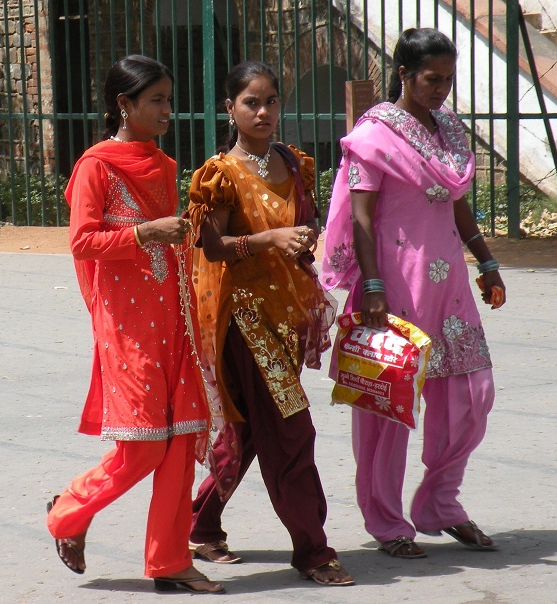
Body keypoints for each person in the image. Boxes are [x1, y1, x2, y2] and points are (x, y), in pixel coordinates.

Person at [321, 28, 506, 559]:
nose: (441, 90)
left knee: (472, 395)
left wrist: (486, 260)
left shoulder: (448, 126)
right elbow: (359, 216)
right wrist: (372, 285)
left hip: (448, 283)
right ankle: (387, 522)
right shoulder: (374, 132)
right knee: (388, 407)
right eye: (432, 79)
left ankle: (440, 505)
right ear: (403, 73)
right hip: (393, 281)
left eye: (448, 79)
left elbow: (457, 201)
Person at [45, 55, 224, 594]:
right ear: (124, 105)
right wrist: (147, 234)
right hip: (127, 324)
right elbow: (82, 242)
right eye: (157, 100)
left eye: (169, 99)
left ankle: (169, 562)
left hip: (176, 316)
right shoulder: (97, 166)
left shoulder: (164, 165)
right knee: (144, 446)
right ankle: (67, 511)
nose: (169, 110)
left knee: (181, 442)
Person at [185, 60, 354, 587]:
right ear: (229, 109)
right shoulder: (220, 173)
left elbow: (301, 225)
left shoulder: (291, 161)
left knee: (248, 431)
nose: (263, 112)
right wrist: (267, 241)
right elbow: (209, 245)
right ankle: (313, 551)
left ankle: (201, 524)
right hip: (246, 319)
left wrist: (300, 242)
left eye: (271, 101)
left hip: (287, 312)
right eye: (250, 103)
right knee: (290, 429)